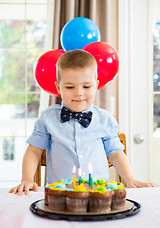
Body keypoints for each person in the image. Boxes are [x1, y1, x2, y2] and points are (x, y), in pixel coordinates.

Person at [9, 50, 155, 195]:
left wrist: (130, 179)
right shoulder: (47, 119)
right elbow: (33, 151)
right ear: (58, 87)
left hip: (98, 194)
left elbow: (116, 153)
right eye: (70, 87)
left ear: (96, 85)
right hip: (60, 195)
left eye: (86, 86)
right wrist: (26, 179)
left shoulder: (105, 119)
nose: (79, 93)